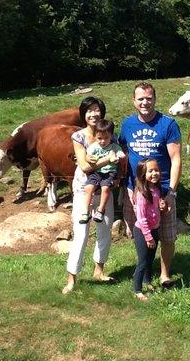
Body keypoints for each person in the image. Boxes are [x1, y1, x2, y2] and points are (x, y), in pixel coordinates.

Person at [119, 82, 182, 287]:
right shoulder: (127, 125)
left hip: (162, 189)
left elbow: (176, 159)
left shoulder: (168, 124)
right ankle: (144, 273)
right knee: (142, 230)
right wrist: (126, 186)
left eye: (149, 98)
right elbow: (124, 155)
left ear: (155, 99)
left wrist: (171, 192)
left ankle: (164, 274)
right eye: (141, 99)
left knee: (167, 235)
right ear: (134, 101)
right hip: (136, 189)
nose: (145, 102)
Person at [62, 97, 118, 294]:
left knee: (104, 231)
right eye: (89, 111)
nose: (93, 114)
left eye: (96, 110)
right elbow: (85, 167)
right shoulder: (78, 136)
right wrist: (106, 160)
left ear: (101, 112)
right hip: (83, 190)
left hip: (105, 190)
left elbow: (119, 159)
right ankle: (71, 279)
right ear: (83, 114)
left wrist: (112, 168)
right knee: (81, 234)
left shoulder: (111, 134)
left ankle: (99, 271)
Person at [133, 158, 167, 301]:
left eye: (156, 170)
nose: (154, 173)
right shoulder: (141, 193)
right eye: (150, 171)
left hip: (154, 228)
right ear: (142, 174)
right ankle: (137, 289)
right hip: (143, 231)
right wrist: (148, 237)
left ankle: (147, 281)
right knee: (143, 260)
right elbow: (141, 218)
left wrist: (162, 206)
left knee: (151, 258)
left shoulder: (156, 189)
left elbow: (157, 208)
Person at [79, 119, 125, 224]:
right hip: (96, 172)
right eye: (100, 138)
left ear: (111, 136)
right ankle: (85, 211)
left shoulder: (114, 146)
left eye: (106, 138)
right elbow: (88, 156)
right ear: (95, 136)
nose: (103, 141)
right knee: (88, 188)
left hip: (109, 173)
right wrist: (88, 158)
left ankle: (100, 210)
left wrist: (118, 156)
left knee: (105, 188)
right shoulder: (94, 147)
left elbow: (121, 153)